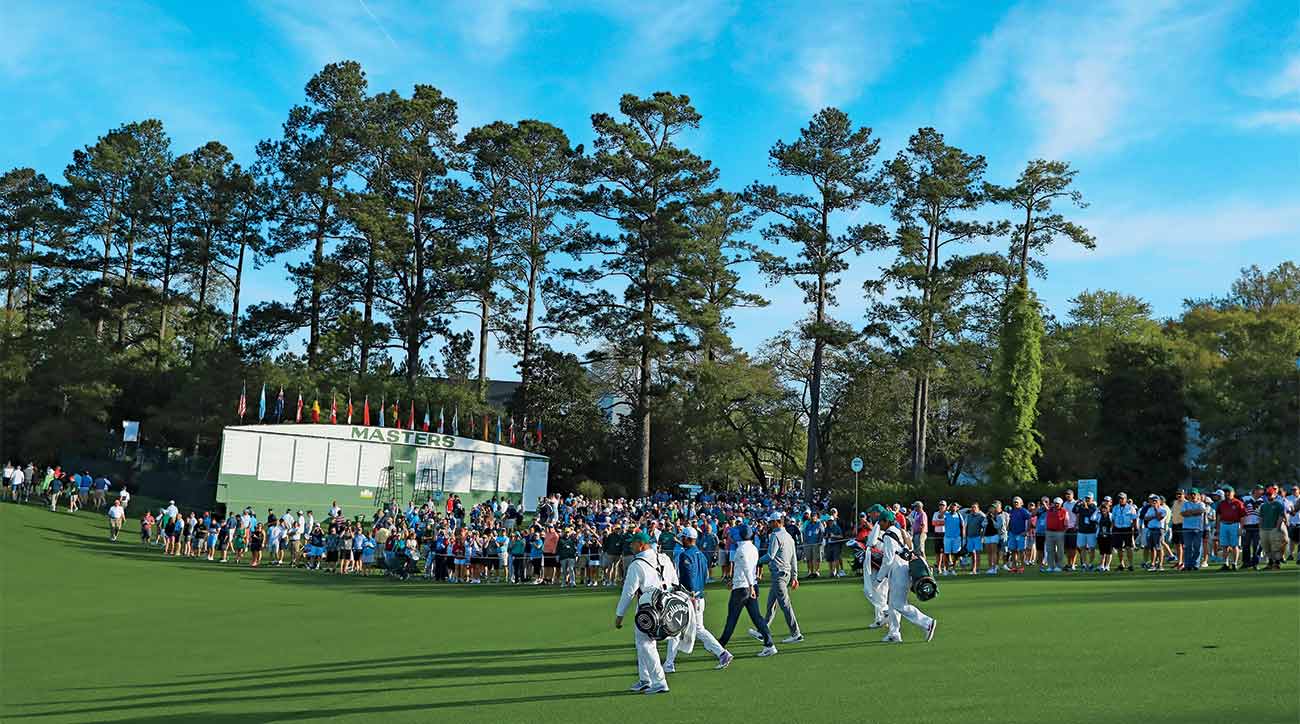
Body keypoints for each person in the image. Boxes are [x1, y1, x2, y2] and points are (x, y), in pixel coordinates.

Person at [663, 527, 731, 672]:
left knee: (676, 628)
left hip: (690, 597)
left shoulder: (685, 555)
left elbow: (688, 577)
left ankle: (669, 664)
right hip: (699, 596)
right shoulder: (701, 554)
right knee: (695, 629)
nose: (681, 540)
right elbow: (705, 576)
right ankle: (722, 653)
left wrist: (689, 594)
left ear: (687, 538)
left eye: (682, 538)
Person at [614, 531, 674, 695]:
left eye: (633, 543)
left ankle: (659, 682)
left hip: (647, 609)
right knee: (642, 642)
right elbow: (674, 581)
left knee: (645, 644)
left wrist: (619, 615)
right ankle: (645, 679)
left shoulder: (636, 564)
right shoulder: (664, 558)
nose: (631, 546)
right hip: (666, 605)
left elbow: (628, 592)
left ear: (641, 544)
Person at [872, 512, 937, 643]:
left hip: (898, 571)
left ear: (886, 521)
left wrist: (879, 578)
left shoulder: (888, 536)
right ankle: (894, 633)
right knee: (892, 604)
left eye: (880, 521)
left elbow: (888, 560)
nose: (879, 524)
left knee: (899, 604)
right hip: (902, 569)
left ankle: (927, 623)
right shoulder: (898, 531)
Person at [716, 524, 777, 658]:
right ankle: (769, 644)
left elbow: (746, 569)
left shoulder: (741, 550)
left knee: (732, 618)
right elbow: (746, 568)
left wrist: (749, 585)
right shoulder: (753, 548)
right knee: (757, 618)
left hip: (742, 589)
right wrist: (750, 585)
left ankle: (719, 646)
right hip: (750, 586)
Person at [752, 512, 803, 645]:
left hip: (779, 575)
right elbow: (794, 559)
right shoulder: (789, 537)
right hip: (784, 575)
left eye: (771, 522)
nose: (769, 524)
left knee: (785, 605)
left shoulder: (775, 535)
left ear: (776, 522)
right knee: (771, 605)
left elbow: (770, 555)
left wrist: (755, 561)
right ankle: (763, 631)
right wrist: (795, 576)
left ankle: (796, 633)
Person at [1216, 486, 1246, 570]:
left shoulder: (1238, 503)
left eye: (1229, 492)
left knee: (1235, 545)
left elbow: (1242, 517)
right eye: (1225, 492)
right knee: (1224, 545)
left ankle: (1234, 563)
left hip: (1234, 525)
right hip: (1223, 525)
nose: (1227, 493)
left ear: (1233, 493)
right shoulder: (1222, 503)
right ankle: (1225, 563)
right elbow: (1218, 516)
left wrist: (1241, 528)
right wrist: (1217, 527)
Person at [1258, 486, 1288, 570]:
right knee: (1266, 548)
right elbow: (1260, 518)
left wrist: (1277, 528)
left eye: (1270, 494)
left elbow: (1281, 516)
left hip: (1274, 528)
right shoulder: (1263, 506)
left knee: (1276, 547)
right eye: (1267, 495)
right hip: (1264, 529)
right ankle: (1270, 563)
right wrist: (1260, 529)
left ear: (1274, 495)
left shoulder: (1278, 504)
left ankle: (1277, 563)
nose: (1268, 496)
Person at [1179, 490, 1207, 572]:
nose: (1193, 496)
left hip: (1198, 529)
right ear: (1188, 496)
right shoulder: (1186, 504)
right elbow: (1183, 514)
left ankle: (1195, 564)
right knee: (1188, 547)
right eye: (1191, 494)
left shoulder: (1201, 504)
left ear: (1198, 495)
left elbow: (1201, 511)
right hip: (1187, 528)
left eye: (1194, 494)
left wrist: (1190, 512)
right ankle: (1187, 565)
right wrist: (1194, 512)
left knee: (1197, 547)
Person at [1111, 492, 1138, 571]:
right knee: (1119, 548)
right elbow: (1113, 519)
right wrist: (1112, 529)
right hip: (1117, 529)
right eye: (1119, 498)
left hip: (1127, 529)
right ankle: (1121, 564)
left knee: (1128, 547)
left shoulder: (1130, 507)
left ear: (1126, 499)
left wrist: (1134, 528)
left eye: (1122, 498)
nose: (1121, 500)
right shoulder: (1115, 507)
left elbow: (1134, 519)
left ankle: (1130, 564)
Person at [1044, 498, 1067, 572]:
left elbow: (1066, 522)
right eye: (1055, 503)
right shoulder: (1050, 510)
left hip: (1059, 532)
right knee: (1050, 550)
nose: (1056, 504)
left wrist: (1064, 531)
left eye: (1058, 503)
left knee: (1060, 550)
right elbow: (1046, 507)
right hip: (1049, 532)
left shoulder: (1064, 511)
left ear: (1061, 504)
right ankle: (1051, 566)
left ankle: (1059, 566)